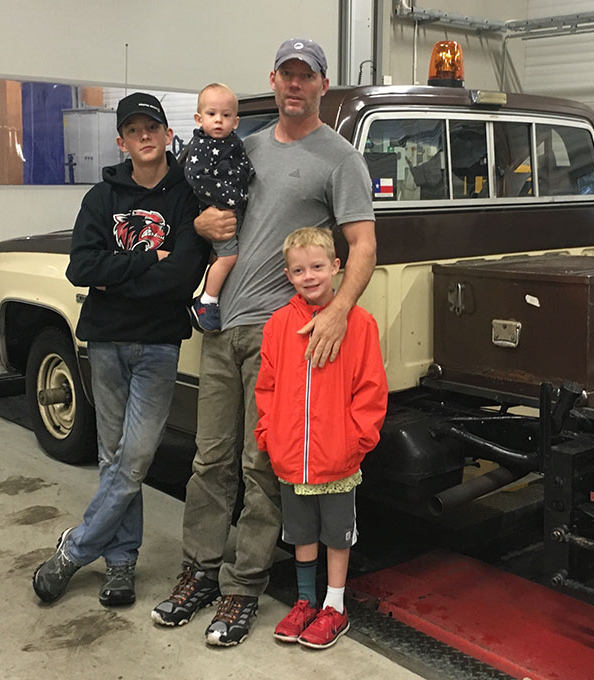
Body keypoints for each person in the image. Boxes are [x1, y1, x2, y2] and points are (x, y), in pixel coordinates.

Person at [151, 38, 377, 647]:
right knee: (209, 460)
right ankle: (198, 571)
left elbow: (362, 244)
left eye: (307, 76)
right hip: (221, 326)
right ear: (273, 81)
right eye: (287, 75)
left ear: (322, 85)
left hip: (282, 335)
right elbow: (206, 214)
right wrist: (198, 223)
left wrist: (337, 313)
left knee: (261, 465)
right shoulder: (241, 148)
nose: (295, 86)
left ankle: (242, 588)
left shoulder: (339, 158)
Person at [32, 92, 210, 607]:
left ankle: (73, 550)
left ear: (167, 133)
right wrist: (149, 259)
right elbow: (81, 269)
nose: (144, 136)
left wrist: (122, 274)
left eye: (152, 127)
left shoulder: (186, 197)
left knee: (135, 457)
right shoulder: (101, 198)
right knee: (114, 458)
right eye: (134, 130)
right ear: (122, 140)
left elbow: (181, 279)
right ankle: (121, 564)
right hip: (106, 343)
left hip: (157, 344)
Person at [257, 227, 387, 649]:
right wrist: (269, 435)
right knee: (300, 532)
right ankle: (305, 601)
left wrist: (356, 440)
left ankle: (335, 604)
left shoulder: (360, 324)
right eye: (299, 269)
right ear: (288, 274)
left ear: (336, 266)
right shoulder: (278, 325)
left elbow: (371, 389)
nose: (309, 276)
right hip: (291, 458)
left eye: (317, 266)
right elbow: (268, 386)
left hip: (338, 458)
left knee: (336, 533)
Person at [183, 82, 255, 333]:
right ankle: (207, 301)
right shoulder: (202, 145)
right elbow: (196, 177)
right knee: (228, 256)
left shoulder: (233, 142)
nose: (218, 121)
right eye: (212, 114)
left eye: (225, 116)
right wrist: (232, 197)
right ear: (198, 118)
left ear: (235, 122)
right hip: (218, 210)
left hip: (234, 208)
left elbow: (244, 165)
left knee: (225, 255)